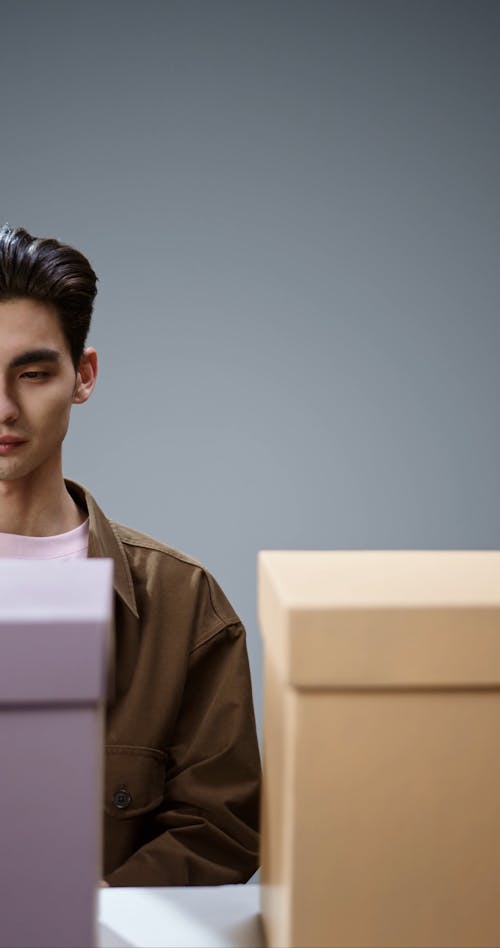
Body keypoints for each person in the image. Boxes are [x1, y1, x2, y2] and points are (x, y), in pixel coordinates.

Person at [0, 225, 260, 886]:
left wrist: (67, 922)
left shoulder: (182, 602)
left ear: (82, 377)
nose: (3, 408)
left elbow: (219, 831)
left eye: (31, 374)